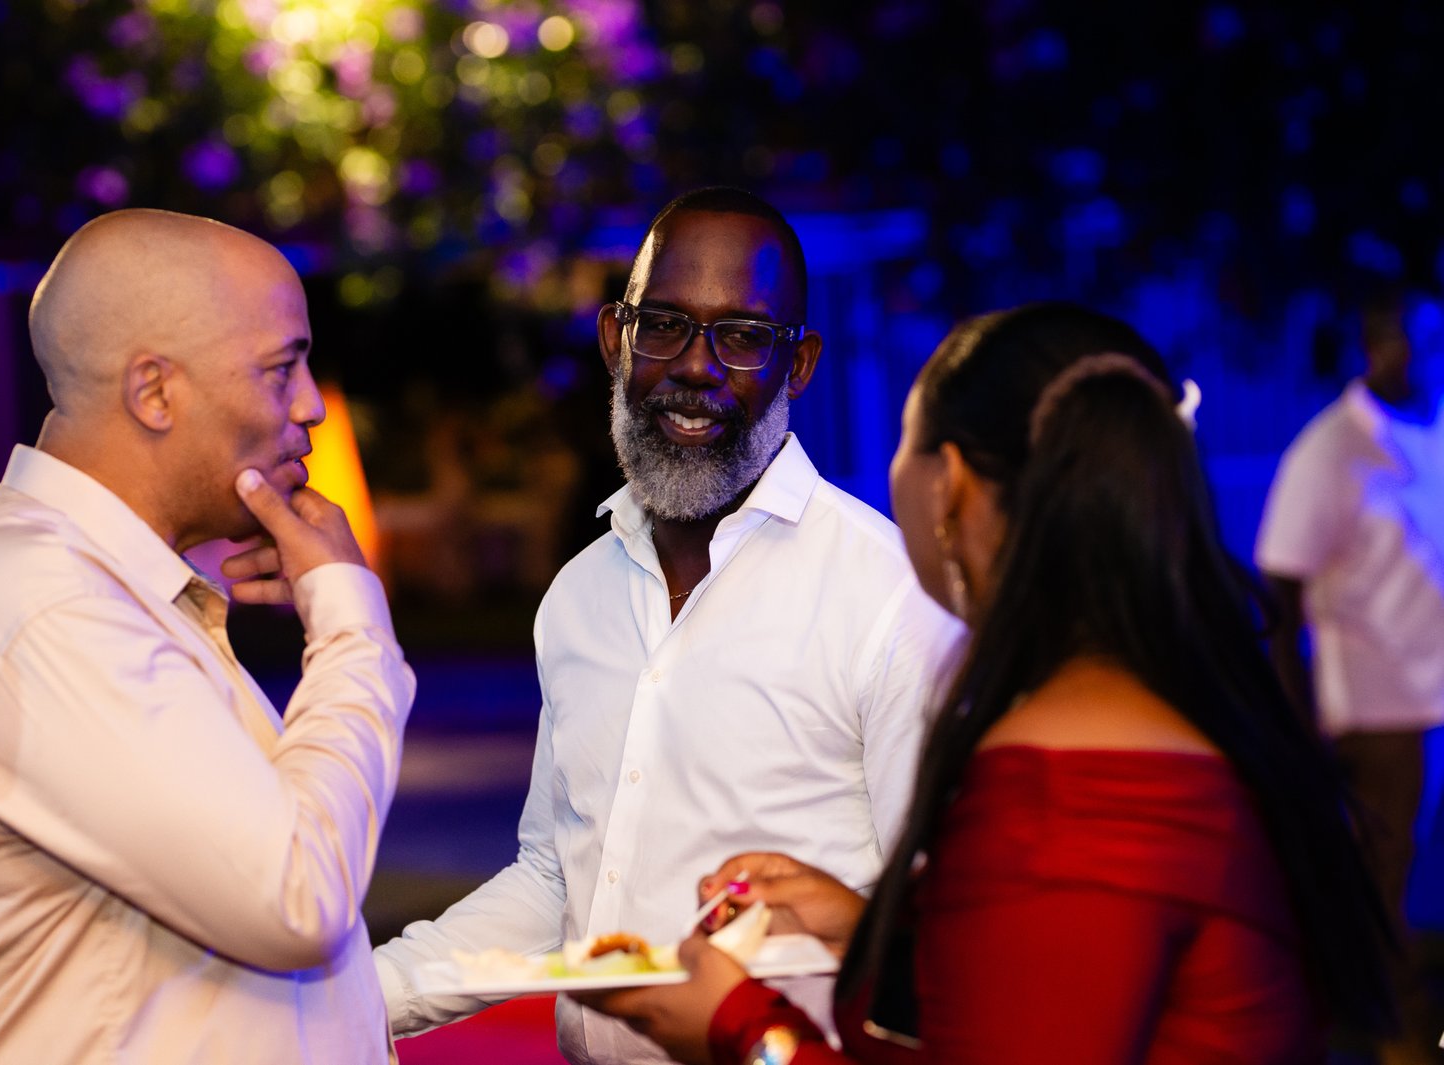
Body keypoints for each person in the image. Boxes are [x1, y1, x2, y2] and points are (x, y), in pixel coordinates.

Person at [581, 303, 1394, 1064]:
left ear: (953, 483)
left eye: (906, 439)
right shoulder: (1163, 707)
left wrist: (743, 1029)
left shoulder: (1058, 792)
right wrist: (880, 932)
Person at [374, 187, 961, 1064]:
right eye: (665, 326)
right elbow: (554, 878)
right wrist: (357, 1002)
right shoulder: (579, 595)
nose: (695, 367)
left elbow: (943, 923)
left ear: (799, 364)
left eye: (743, 336)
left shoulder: (886, 597)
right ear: (616, 339)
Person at [0, 209, 416, 1063]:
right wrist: (351, 622)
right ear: (154, 392)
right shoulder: (38, 596)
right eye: (282, 369)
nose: (311, 406)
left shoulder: (99, 584)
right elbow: (295, 896)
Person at [1257, 289, 1444, 1064]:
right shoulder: (1328, 453)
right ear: (1374, 347)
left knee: (1422, 894)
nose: (1430, 358)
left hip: (1434, 702)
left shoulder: (1432, 429)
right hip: (1376, 713)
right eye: (1415, 342)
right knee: (1385, 893)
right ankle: (1397, 1044)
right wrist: (1298, 721)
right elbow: (1279, 592)